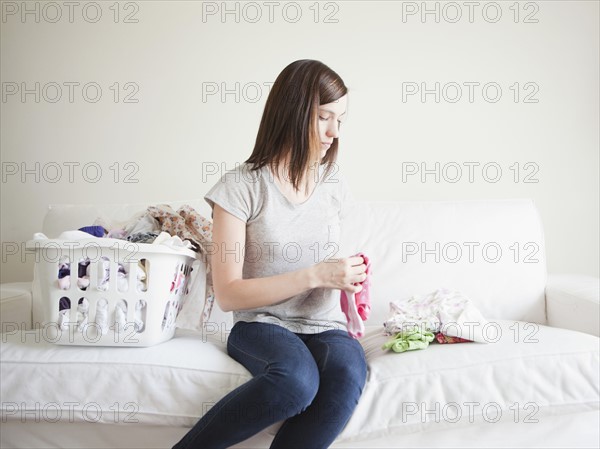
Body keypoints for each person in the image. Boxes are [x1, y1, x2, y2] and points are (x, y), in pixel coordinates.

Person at [173, 59, 368, 449]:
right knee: (296, 382)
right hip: (262, 325)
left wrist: (350, 276)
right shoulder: (240, 187)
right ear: (293, 112)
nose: (334, 132)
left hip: (325, 325)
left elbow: (335, 265)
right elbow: (229, 294)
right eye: (323, 117)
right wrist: (316, 275)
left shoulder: (333, 181)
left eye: (340, 120)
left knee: (347, 374)